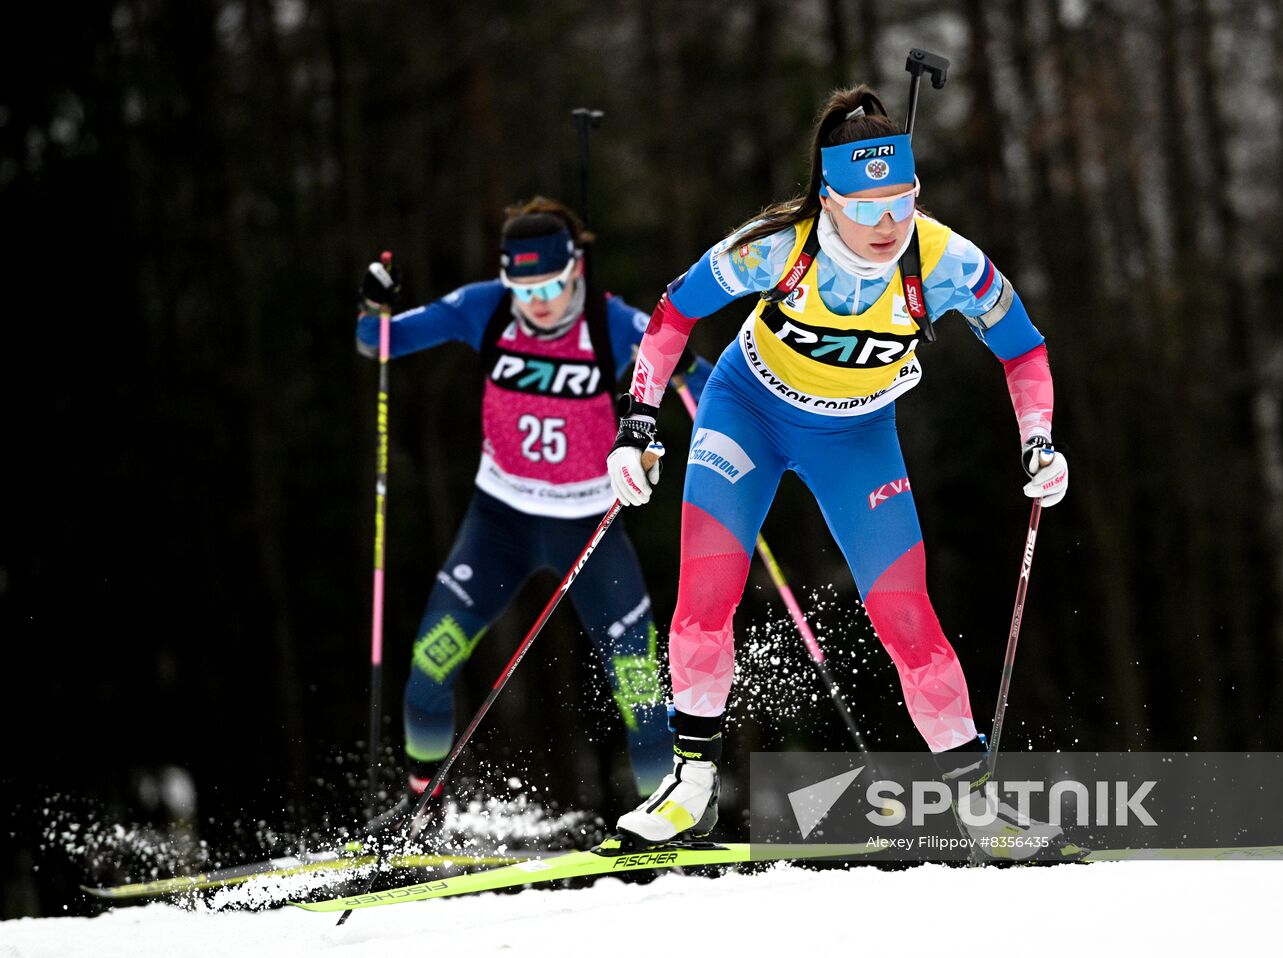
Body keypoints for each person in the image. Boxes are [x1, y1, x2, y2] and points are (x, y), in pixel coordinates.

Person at [605, 88, 1068, 855]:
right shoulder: (775, 246)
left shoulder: (945, 261)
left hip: (857, 438)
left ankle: (976, 804)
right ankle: (691, 789)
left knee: (908, 620)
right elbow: (675, 311)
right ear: (829, 199)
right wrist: (637, 423)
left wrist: (1040, 443)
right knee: (703, 599)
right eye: (866, 206)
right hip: (745, 412)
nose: (888, 224)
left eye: (902, 201)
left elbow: (1023, 349)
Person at [356, 197, 712, 827]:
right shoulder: (483, 309)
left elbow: (708, 391)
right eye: (523, 287)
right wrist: (374, 305)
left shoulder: (614, 325)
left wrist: (682, 365)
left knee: (642, 692)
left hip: (591, 530)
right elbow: (377, 343)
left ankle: (671, 824)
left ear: (576, 267)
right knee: (430, 665)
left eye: (550, 283)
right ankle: (419, 814)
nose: (539, 301)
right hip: (501, 523)